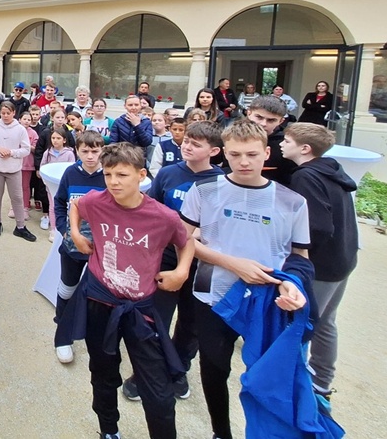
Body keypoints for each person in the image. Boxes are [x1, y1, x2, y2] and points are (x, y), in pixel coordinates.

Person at [180, 120, 310, 439]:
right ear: (224, 153)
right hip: (212, 295)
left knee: (267, 373)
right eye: (235, 154)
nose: (244, 162)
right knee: (215, 368)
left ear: (266, 153)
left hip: (268, 301)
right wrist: (231, 263)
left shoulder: (293, 201)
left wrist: (292, 282)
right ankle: (221, 432)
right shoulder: (204, 190)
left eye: (252, 154)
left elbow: (300, 256)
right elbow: (182, 241)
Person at [65, 142, 195, 439]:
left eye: (122, 175)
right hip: (100, 299)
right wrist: (75, 232)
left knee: (158, 389)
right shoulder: (97, 201)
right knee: (103, 372)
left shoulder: (162, 216)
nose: (113, 182)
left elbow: (186, 241)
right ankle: (108, 430)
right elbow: (77, 205)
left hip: (140, 309)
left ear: (141, 175)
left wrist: (182, 271)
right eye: (108, 174)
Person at [122, 121, 224, 403]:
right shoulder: (168, 173)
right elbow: (150, 209)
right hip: (165, 255)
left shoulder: (222, 182)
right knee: (156, 317)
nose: (187, 146)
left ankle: (178, 368)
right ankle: (146, 371)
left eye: (196, 144)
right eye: (186, 140)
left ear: (214, 151)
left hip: (203, 262)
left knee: (192, 322)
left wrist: (194, 233)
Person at [281, 123, 357, 398]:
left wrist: (299, 255)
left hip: (321, 266)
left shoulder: (306, 177)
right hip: (342, 260)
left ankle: (296, 379)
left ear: (304, 148)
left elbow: (318, 226)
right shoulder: (331, 170)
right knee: (326, 322)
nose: (281, 144)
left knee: (303, 321)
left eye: (287, 140)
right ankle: (322, 379)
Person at [52, 131, 106, 363]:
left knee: (98, 293)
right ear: (77, 151)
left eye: (95, 151)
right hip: (72, 247)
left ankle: (92, 331)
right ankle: (62, 333)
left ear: (102, 150)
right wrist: (63, 229)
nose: (90, 156)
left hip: (100, 250)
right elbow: (59, 202)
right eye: (85, 151)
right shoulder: (71, 173)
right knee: (67, 287)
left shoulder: (109, 175)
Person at [0, 101, 33, 241]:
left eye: (8, 113)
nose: (5, 116)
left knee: (17, 197)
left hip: (13, 169)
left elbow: (26, 149)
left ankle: (20, 227)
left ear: (14, 113)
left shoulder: (20, 129)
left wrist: (11, 152)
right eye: (3, 113)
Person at [246, 94, 297, 185]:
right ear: (249, 113)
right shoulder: (232, 137)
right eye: (259, 117)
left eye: (271, 120)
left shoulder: (287, 144)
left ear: (281, 121)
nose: (263, 124)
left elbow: (290, 178)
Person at [38, 127, 76, 239]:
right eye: (53, 138)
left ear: (64, 140)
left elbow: (71, 169)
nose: (55, 140)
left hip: (64, 186)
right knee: (53, 206)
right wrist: (45, 180)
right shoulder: (47, 153)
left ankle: (65, 229)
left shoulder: (69, 154)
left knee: (65, 207)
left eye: (58, 138)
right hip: (51, 185)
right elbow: (42, 167)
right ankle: (53, 229)